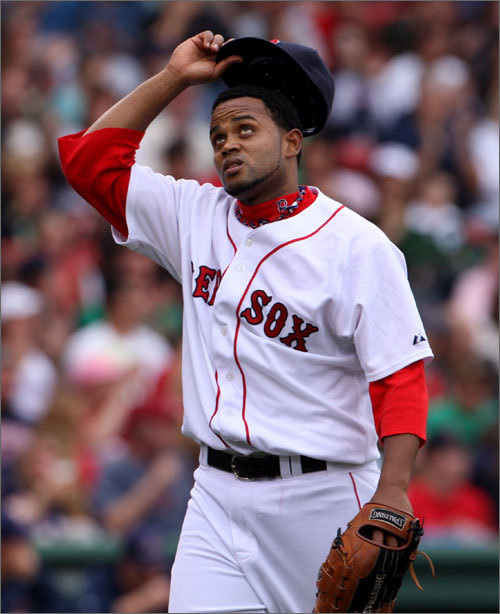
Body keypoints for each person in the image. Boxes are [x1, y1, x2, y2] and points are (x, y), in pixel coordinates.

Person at [58, 31, 433, 614]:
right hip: (214, 492)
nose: (228, 144)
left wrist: (393, 489)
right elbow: (88, 162)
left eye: (246, 130)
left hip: (322, 494)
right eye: (218, 136)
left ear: (291, 142)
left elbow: (399, 377)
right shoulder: (194, 213)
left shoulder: (357, 245)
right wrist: (174, 79)